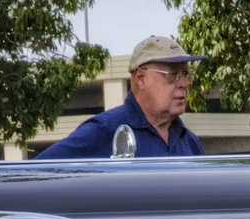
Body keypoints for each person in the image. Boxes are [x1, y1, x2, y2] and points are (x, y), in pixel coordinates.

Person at [37, 36, 205, 159]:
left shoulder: (189, 141)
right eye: (173, 75)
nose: (183, 83)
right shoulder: (104, 131)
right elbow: (33, 175)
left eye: (185, 74)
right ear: (140, 78)